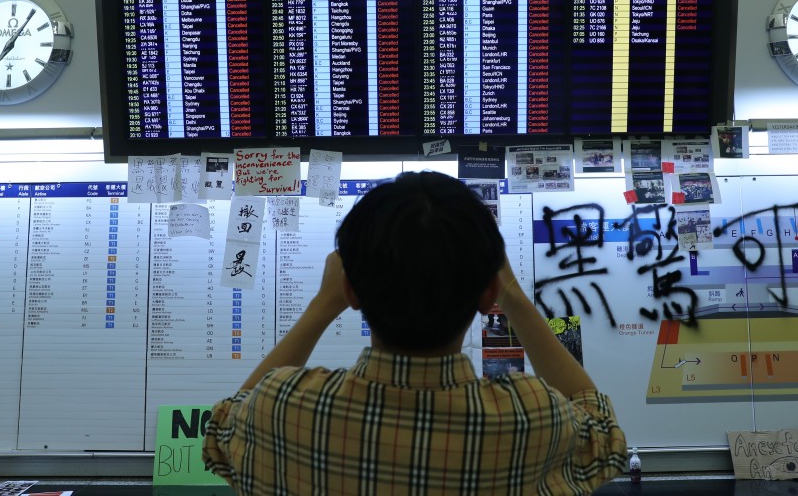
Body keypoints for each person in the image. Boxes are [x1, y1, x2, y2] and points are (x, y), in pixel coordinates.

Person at [203, 171, 627, 495]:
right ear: (488, 294)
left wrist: (323, 303)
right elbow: (605, 438)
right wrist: (510, 294)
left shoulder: (282, 405)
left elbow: (219, 432)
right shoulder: (532, 414)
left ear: (350, 288)